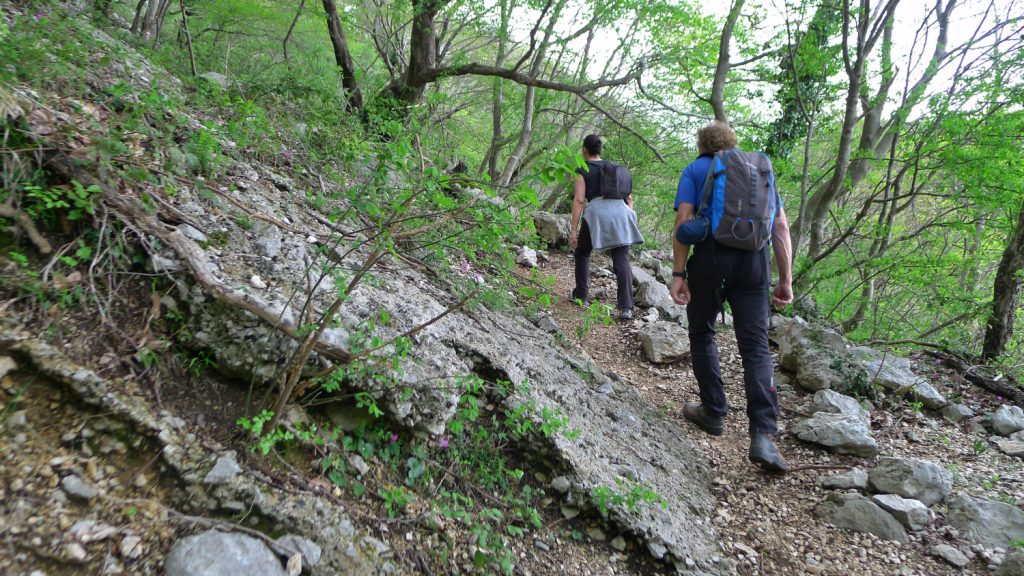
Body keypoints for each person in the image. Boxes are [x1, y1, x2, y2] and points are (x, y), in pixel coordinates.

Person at [669, 121, 794, 472]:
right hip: (755, 263)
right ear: (733, 143)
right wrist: (785, 279)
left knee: (702, 331)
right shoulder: (759, 170)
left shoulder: (696, 169)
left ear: (701, 144)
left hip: (710, 256)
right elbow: (780, 227)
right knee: (755, 346)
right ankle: (764, 436)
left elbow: (683, 220)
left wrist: (679, 274)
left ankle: (712, 411)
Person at [570, 134, 644, 321]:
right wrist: (626, 219)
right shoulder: (614, 167)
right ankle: (626, 307)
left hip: (597, 213)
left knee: (582, 252)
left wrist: (573, 229)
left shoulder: (582, 170)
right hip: (620, 212)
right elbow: (629, 198)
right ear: (600, 150)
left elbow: (579, 200)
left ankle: (581, 295)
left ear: (584, 150)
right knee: (621, 258)